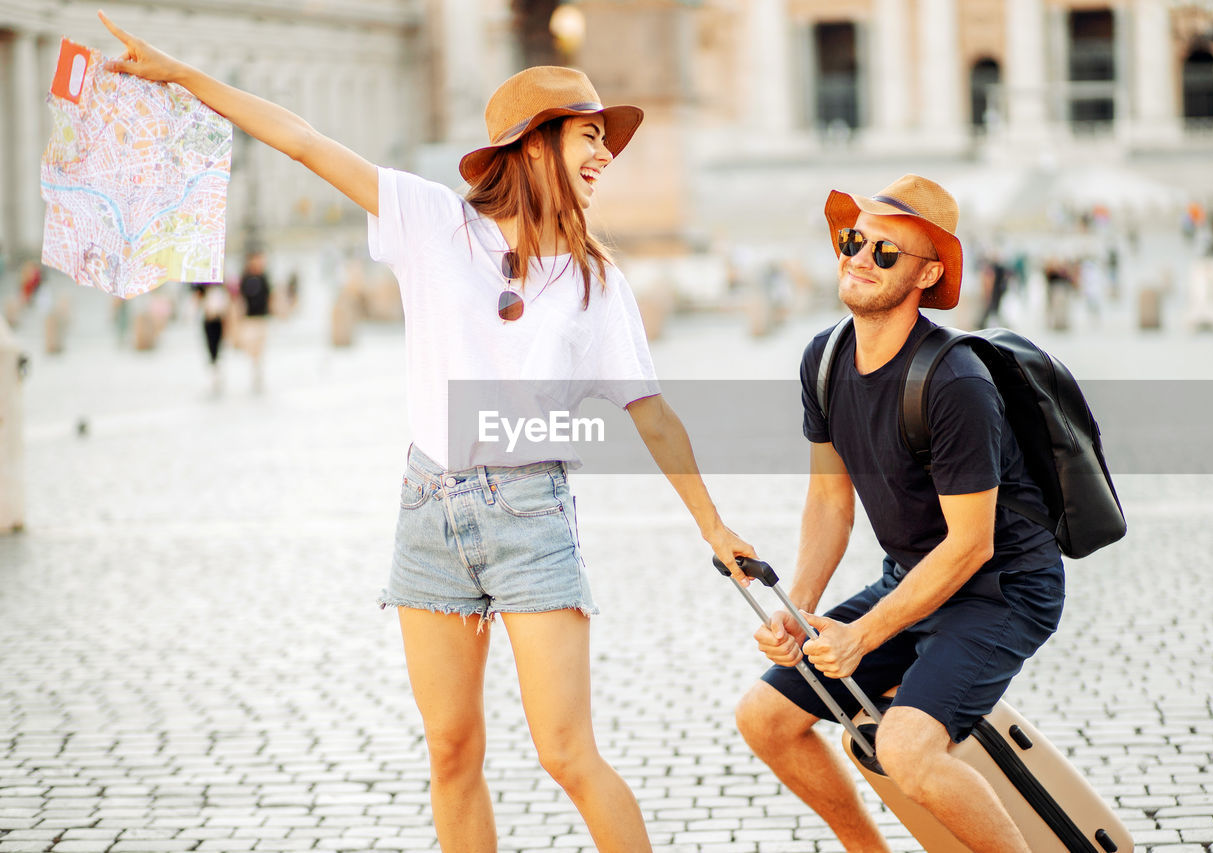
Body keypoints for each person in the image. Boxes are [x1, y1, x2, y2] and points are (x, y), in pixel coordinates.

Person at [98, 12, 755, 853]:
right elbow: (302, 139)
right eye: (589, 138)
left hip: (531, 514)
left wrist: (713, 524)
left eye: (606, 141)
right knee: (451, 750)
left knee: (566, 753)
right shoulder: (432, 222)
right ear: (533, 145)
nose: (604, 156)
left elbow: (652, 415)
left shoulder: (595, 280)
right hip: (428, 508)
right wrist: (182, 74)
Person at [735, 175, 1064, 853]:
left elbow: (971, 546)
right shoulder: (824, 360)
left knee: (906, 749)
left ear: (929, 273)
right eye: (855, 240)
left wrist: (862, 635)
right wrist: (797, 612)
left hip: (1002, 590)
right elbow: (830, 500)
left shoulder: (955, 382)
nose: (860, 256)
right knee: (764, 717)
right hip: (912, 576)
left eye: (886, 252)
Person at [237, 252, 271, 391]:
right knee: (250, 344)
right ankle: (254, 364)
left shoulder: (264, 277)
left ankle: (257, 366)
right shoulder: (246, 278)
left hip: (261, 317)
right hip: (249, 318)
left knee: (260, 344)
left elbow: (269, 295)